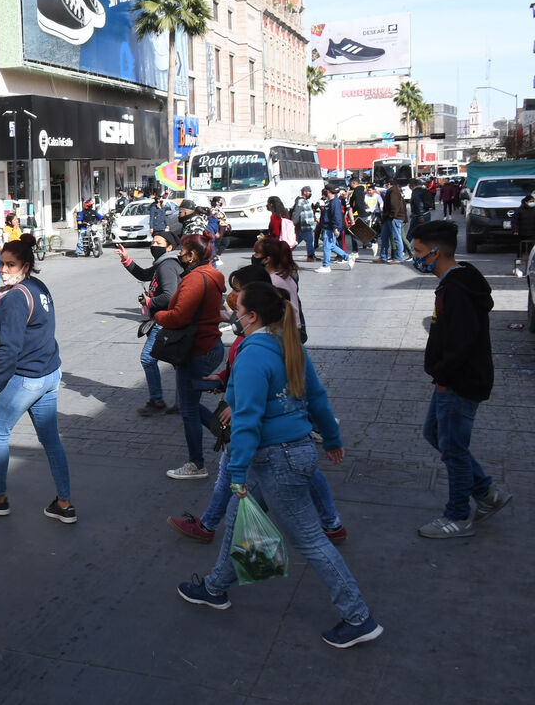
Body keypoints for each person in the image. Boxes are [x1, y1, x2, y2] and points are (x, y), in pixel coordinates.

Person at [176, 281, 383, 650]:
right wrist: (331, 438)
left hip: (276, 460)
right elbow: (316, 397)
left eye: (237, 309)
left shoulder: (253, 355)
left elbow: (247, 419)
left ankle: (358, 616)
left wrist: (236, 471)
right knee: (238, 517)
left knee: (311, 541)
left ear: (252, 316)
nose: (233, 315)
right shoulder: (287, 344)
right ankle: (215, 587)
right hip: (289, 454)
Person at [166, 264, 347, 545]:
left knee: (306, 538)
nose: (232, 301)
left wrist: (235, 406)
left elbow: (260, 404)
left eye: (237, 294)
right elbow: (313, 396)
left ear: (253, 311)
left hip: (270, 442)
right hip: (291, 444)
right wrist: (224, 380)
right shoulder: (271, 338)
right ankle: (331, 524)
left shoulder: (258, 346)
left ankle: (210, 526)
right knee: (299, 477)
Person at [407, 221, 512, 538]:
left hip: (459, 381)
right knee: (435, 433)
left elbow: (462, 342)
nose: (415, 257)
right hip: (452, 377)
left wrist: (443, 376)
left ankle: (458, 516)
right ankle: (487, 493)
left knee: (453, 448)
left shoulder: (456, 290)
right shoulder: (456, 282)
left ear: (436, 252)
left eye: (419, 251)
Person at [0, 234, 74, 523]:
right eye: (1, 263)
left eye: (10, 265)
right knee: (51, 440)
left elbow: (9, 351)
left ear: (25, 265)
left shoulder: (13, 299)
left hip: (26, 378)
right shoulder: (38, 287)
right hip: (49, 373)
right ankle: (64, 504)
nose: (3, 270)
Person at [152, 233, 226, 480]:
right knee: (189, 404)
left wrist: (157, 315)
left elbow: (179, 316)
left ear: (193, 255)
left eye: (183, 253)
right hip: (208, 345)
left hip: (197, 349)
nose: (180, 256)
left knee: (188, 409)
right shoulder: (211, 274)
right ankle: (228, 434)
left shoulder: (195, 279)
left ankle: (197, 463)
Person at [116, 231, 183, 416]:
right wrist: (126, 259)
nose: (154, 245)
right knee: (177, 361)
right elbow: (144, 274)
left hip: (165, 320)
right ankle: (182, 401)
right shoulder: (162, 263)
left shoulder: (167, 265)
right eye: (153, 242)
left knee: (148, 358)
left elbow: (169, 295)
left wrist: (150, 302)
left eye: (158, 243)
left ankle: (157, 400)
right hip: (164, 319)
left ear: (169, 247)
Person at [317, 187, 354, 273]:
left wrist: (335, 228)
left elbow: (336, 216)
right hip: (328, 227)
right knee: (331, 246)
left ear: (328, 191)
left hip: (330, 228)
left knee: (327, 247)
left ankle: (326, 266)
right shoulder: (331, 202)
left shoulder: (335, 202)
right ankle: (348, 257)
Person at [377, 180, 407, 263]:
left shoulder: (394, 191)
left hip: (394, 218)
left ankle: (399, 258)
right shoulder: (393, 190)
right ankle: (383, 257)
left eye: (385, 183)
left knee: (396, 237)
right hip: (389, 217)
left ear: (388, 184)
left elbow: (394, 205)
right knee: (384, 237)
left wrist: (392, 216)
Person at [291, 187, 317, 262]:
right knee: (310, 241)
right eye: (309, 191)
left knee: (296, 242)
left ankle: (284, 253)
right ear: (304, 192)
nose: (310, 193)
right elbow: (296, 212)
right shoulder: (301, 201)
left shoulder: (305, 200)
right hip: (304, 226)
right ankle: (310, 256)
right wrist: (293, 223)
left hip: (305, 226)